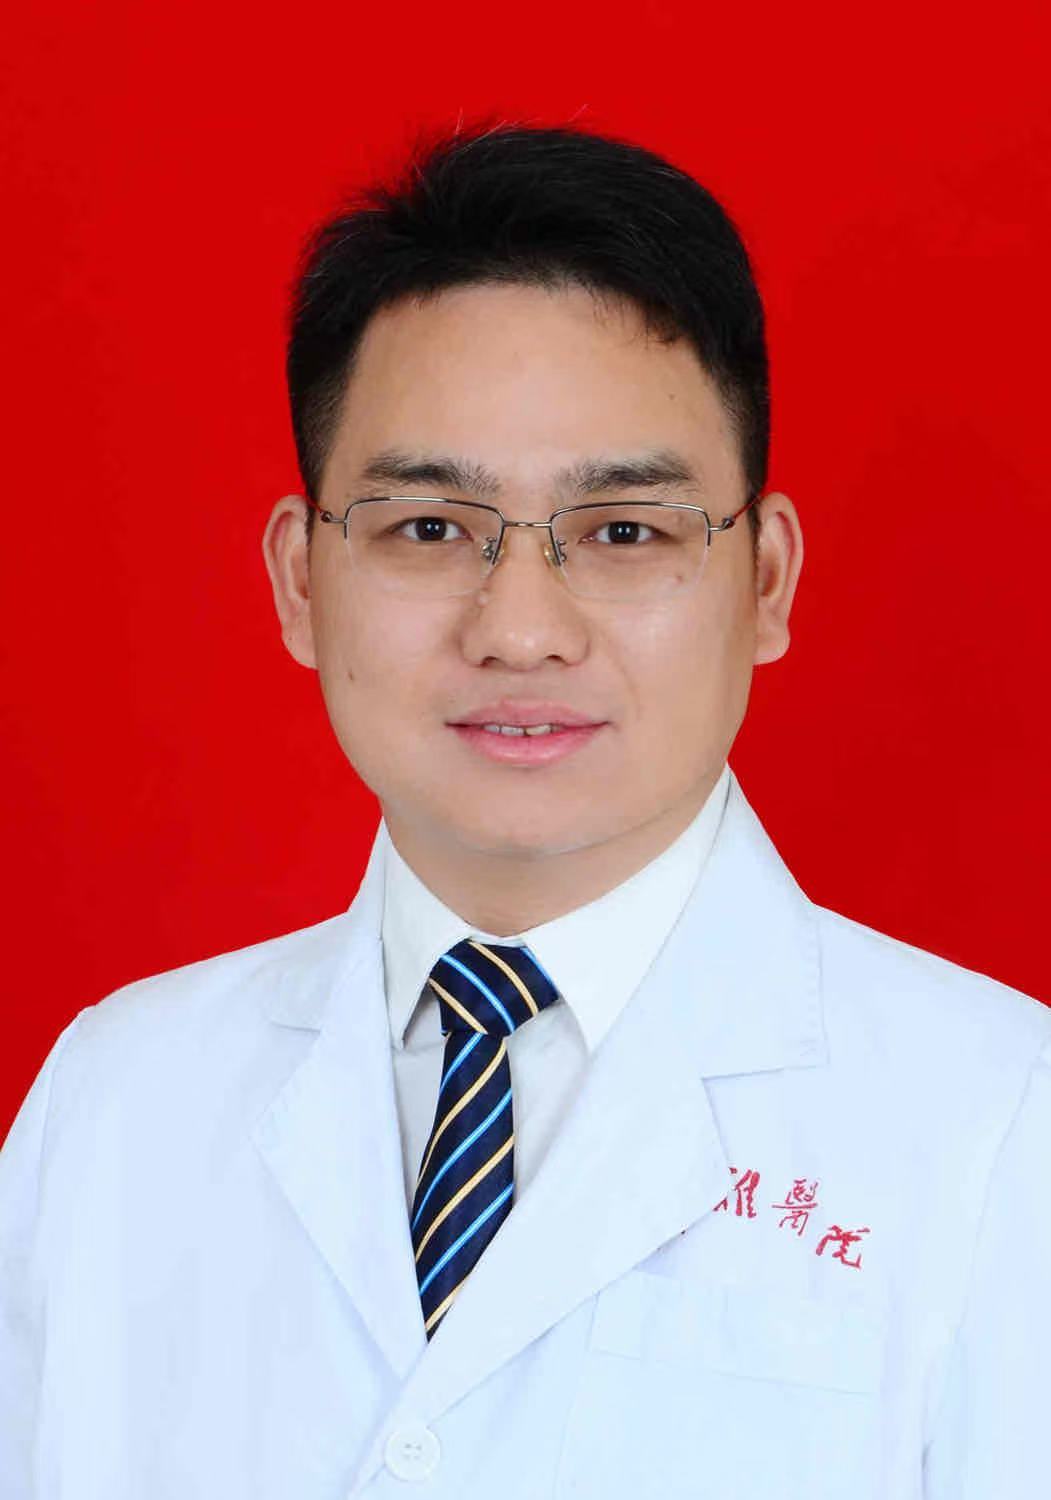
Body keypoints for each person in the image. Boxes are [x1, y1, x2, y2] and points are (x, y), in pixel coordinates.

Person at [1, 122, 1048, 1500]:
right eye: (430, 529)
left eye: (624, 532)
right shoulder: (113, 1104)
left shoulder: (1002, 1126)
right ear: (300, 582)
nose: (520, 630)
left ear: (767, 580)